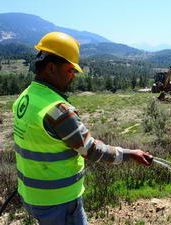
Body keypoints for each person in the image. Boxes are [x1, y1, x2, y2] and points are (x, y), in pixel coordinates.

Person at [12, 32, 153, 225]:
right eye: (70, 69)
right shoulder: (57, 110)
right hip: (59, 201)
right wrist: (130, 154)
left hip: (32, 195)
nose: (73, 76)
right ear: (51, 68)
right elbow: (91, 150)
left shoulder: (26, 97)